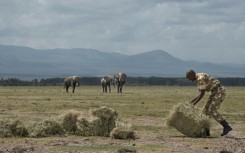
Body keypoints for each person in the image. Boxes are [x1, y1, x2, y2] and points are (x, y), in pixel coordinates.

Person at [186, 69, 232, 136]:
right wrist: (191, 101)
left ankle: (226, 126)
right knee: (205, 110)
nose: (189, 79)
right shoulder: (197, 77)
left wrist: (194, 103)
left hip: (219, 91)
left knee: (212, 110)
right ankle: (206, 131)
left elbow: (202, 93)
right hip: (214, 91)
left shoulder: (200, 79)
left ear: (192, 75)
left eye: (189, 77)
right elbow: (200, 92)